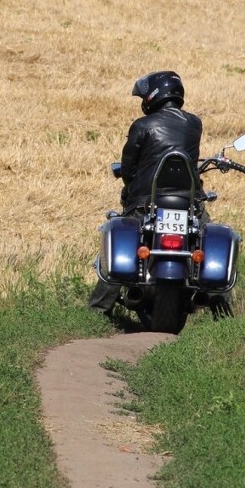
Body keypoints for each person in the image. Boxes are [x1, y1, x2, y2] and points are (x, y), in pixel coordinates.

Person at [88, 70, 203, 314]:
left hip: (146, 203)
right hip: (186, 203)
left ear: (153, 95)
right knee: (205, 234)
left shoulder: (142, 125)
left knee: (123, 236)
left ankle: (99, 309)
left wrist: (129, 185)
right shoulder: (194, 124)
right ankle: (221, 303)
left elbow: (129, 167)